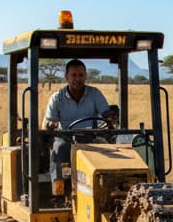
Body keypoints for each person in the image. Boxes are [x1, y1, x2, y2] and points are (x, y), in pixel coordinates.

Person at [43, 59, 117, 192]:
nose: (77, 79)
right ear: (66, 77)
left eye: (81, 75)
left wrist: (111, 116)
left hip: (91, 137)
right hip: (66, 138)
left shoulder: (95, 94)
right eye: (74, 75)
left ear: (85, 76)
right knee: (59, 149)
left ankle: (108, 189)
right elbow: (48, 122)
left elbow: (105, 113)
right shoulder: (57, 98)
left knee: (112, 151)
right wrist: (50, 124)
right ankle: (60, 189)